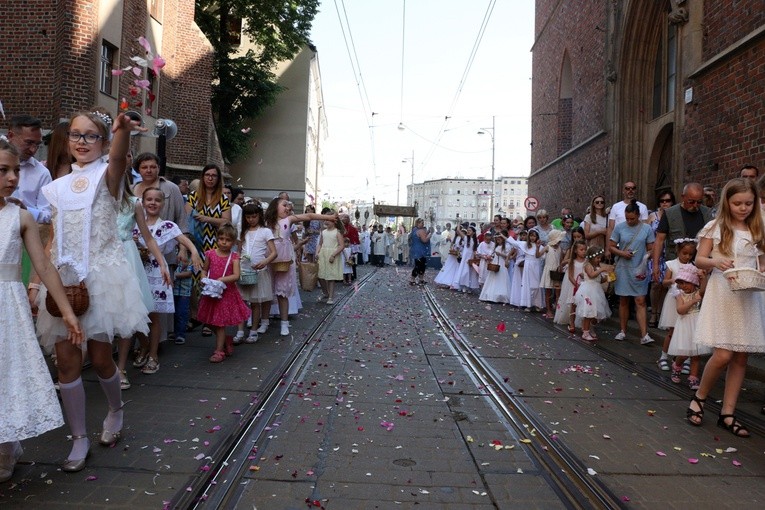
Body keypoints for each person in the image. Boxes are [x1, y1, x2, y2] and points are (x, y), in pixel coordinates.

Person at [35, 110, 151, 472]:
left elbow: (117, 158)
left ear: (102, 141)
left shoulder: (108, 175)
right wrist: (38, 281)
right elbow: (53, 235)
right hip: (64, 282)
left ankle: (116, 410)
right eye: (75, 135)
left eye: (91, 136)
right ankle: (79, 439)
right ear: (67, 140)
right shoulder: (56, 185)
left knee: (100, 359)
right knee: (67, 363)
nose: (82, 142)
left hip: (100, 279)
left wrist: (122, 132)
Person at [0, 140, 82, 483]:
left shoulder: (19, 217)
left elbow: (45, 266)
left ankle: (6, 447)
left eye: (16, 170)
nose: (12, 177)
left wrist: (67, 311)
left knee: (7, 375)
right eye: (3, 170)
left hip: (7, 305)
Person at [686, 178, 765, 437]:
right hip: (723, 292)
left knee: (741, 356)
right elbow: (700, 258)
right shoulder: (716, 226)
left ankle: (728, 413)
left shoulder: (758, 228)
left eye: (748, 204)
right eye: (737, 203)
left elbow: (761, 262)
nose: (743, 208)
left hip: (748, 294)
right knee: (722, 355)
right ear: (727, 202)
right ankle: (700, 397)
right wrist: (715, 263)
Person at [132, 188, 201, 374]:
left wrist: (193, 252)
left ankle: (153, 355)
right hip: (136, 272)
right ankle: (144, 345)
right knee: (135, 315)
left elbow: (184, 240)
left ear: (162, 204)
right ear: (143, 202)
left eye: (157, 200)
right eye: (149, 200)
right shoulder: (135, 224)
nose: (153, 203)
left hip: (156, 273)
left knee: (154, 317)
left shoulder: (167, 226)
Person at [114, 176, 171, 390]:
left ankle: (120, 368)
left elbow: (147, 237)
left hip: (127, 258)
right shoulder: (97, 200)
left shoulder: (133, 204)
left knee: (127, 314)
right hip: (103, 257)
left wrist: (162, 262)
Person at [265, 197, 337, 335]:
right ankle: (264, 321)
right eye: (284, 205)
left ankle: (284, 323)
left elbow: (309, 216)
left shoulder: (289, 220)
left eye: (289, 206)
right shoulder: (267, 223)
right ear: (274, 207)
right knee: (268, 290)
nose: (288, 208)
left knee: (282, 292)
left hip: (284, 260)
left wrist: (327, 217)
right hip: (269, 258)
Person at [185, 164, 232, 336]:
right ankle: (196, 315)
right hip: (196, 244)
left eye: (214, 175)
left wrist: (206, 218)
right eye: (207, 175)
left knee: (211, 282)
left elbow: (227, 222)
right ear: (203, 177)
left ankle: (209, 320)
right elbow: (186, 219)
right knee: (195, 281)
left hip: (214, 246)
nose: (210, 178)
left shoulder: (223, 199)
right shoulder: (193, 196)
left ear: (218, 179)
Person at [197, 224, 250, 362]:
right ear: (217, 239)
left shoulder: (234, 257)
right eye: (221, 239)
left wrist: (222, 279)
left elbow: (236, 275)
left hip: (226, 294)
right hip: (211, 292)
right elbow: (205, 269)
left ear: (233, 242)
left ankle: (219, 351)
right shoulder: (210, 254)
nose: (224, 242)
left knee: (220, 324)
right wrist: (203, 277)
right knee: (208, 321)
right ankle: (226, 340)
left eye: (227, 240)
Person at [609, 199, 655, 344]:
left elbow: (651, 248)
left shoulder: (646, 229)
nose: (629, 221)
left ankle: (644, 334)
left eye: (632, 218)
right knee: (624, 300)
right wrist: (622, 253)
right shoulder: (620, 227)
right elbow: (611, 246)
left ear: (638, 215)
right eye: (627, 218)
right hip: (623, 267)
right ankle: (623, 330)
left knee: (640, 300)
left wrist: (648, 256)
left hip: (639, 268)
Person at [236, 202, 276, 343]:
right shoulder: (244, 232)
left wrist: (265, 262)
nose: (251, 219)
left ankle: (253, 330)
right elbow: (239, 251)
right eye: (248, 217)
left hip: (259, 271)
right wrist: (237, 263)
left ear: (259, 215)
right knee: (241, 302)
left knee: (255, 302)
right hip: (244, 270)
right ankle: (240, 331)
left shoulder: (265, 231)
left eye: (254, 216)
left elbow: (274, 253)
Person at [656, 239, 697, 373]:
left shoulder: (693, 266)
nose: (687, 257)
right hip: (674, 300)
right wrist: (675, 279)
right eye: (684, 253)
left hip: (688, 301)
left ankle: (685, 358)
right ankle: (664, 356)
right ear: (678, 251)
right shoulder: (672, 264)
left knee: (688, 332)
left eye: (690, 254)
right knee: (672, 331)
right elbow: (664, 282)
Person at [667, 265, 710, 388]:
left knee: (696, 354)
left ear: (693, 282)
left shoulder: (698, 292)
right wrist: (692, 301)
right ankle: (677, 365)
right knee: (685, 353)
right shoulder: (679, 294)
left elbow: (703, 290)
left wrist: (703, 277)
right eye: (681, 283)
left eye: (687, 282)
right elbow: (680, 310)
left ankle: (693, 377)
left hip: (697, 324)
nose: (684, 285)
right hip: (685, 325)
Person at [7, 116, 51, 224]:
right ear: (11, 136)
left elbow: (48, 214)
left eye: (37, 144)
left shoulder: (42, 173)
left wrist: (25, 210)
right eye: (29, 142)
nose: (33, 149)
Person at [646, 190, 677, 327]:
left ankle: (662, 314)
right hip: (656, 254)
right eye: (662, 200)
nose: (665, 203)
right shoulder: (653, 216)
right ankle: (654, 313)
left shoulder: (675, 215)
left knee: (666, 285)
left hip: (671, 254)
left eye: (668, 200)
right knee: (655, 284)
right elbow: (646, 235)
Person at [575, 246, 612, 341]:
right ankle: (585, 332)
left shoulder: (597, 266)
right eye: (598, 258)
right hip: (588, 291)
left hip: (596, 290)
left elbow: (598, 280)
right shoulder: (587, 265)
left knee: (594, 313)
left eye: (600, 258)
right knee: (588, 312)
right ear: (591, 257)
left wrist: (608, 278)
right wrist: (602, 270)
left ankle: (590, 328)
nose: (599, 259)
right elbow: (591, 275)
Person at [606, 181, 648, 259]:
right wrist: (608, 249)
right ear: (623, 191)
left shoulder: (642, 207)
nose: (630, 190)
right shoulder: (616, 207)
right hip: (618, 246)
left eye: (633, 188)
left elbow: (645, 228)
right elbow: (610, 228)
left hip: (637, 245)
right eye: (627, 188)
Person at [554, 240, 586, 333]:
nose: (584, 251)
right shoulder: (572, 262)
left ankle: (584, 324)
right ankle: (571, 323)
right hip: (574, 286)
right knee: (573, 305)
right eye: (581, 249)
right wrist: (576, 285)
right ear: (575, 250)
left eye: (585, 249)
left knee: (583, 305)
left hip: (584, 286)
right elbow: (570, 276)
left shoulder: (587, 262)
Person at [509, 229, 545, 311]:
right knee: (527, 285)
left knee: (536, 285)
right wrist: (504, 236)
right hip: (528, 267)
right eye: (531, 235)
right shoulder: (525, 245)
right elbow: (514, 242)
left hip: (536, 266)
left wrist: (538, 247)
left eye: (534, 236)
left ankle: (537, 304)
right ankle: (528, 304)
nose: (532, 238)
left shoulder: (540, 246)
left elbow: (538, 256)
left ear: (537, 237)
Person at [317, 216, 345, 304]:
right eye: (326, 220)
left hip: (332, 255)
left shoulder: (337, 232)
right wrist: (317, 252)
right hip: (323, 254)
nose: (326, 221)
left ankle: (331, 297)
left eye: (329, 220)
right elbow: (320, 244)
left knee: (331, 277)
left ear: (334, 222)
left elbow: (341, 245)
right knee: (320, 275)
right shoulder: (323, 232)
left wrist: (333, 255)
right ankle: (326, 292)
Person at [479, 231, 512, 304]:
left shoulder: (507, 246)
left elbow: (508, 256)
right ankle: (491, 294)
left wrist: (500, 254)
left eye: (499, 239)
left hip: (502, 263)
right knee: (493, 278)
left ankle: (501, 295)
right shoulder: (496, 246)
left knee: (501, 278)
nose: (498, 241)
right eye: (497, 240)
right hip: (495, 262)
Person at [539, 229, 565, 318]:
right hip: (548, 271)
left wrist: (561, 267)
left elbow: (561, 260)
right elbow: (538, 255)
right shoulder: (547, 247)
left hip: (557, 272)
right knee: (548, 292)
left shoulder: (560, 249)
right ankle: (548, 310)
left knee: (558, 293)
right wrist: (538, 247)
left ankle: (558, 311)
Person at [452, 224, 479, 293]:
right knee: (464, 272)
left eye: (470, 230)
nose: (468, 232)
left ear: (473, 232)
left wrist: (476, 256)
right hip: (465, 258)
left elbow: (475, 250)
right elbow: (458, 231)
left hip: (471, 258)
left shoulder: (476, 240)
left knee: (470, 272)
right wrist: (459, 223)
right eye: (468, 230)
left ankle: (469, 286)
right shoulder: (466, 238)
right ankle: (463, 285)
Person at [409, 218, 432, 286]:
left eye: (423, 223)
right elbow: (424, 240)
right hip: (420, 250)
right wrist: (429, 236)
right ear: (418, 223)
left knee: (419, 264)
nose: (423, 224)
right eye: (422, 223)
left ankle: (420, 279)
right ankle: (413, 279)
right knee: (420, 265)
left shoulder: (414, 230)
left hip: (415, 249)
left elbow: (420, 236)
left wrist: (427, 232)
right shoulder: (421, 231)